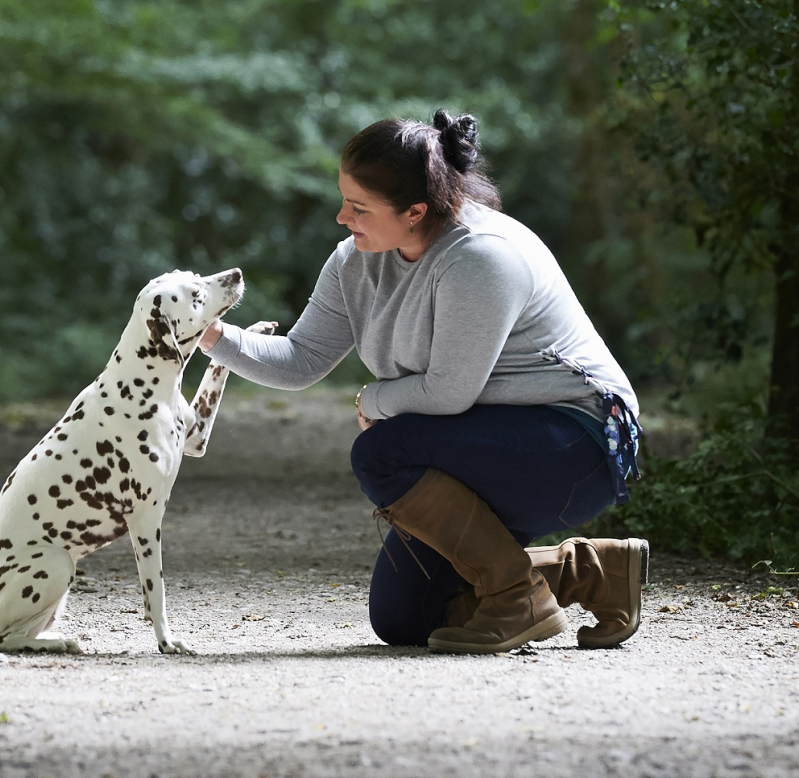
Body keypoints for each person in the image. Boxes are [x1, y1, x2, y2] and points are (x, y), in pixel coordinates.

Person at [198, 110, 647, 655]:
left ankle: (514, 596)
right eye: (344, 199)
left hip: (576, 446)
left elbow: (448, 393)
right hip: (490, 443)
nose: (342, 217)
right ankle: (591, 572)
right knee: (405, 618)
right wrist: (212, 335)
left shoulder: (481, 257)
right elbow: (301, 358)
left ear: (415, 211)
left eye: (359, 207)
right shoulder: (357, 261)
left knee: (383, 451)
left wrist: (376, 399)